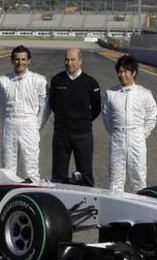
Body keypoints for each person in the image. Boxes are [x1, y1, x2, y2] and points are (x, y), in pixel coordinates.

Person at [102, 55, 157, 194]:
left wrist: (141, 134)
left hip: (137, 139)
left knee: (138, 178)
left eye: (126, 71)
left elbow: (151, 117)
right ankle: (115, 211)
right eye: (120, 71)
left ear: (133, 73)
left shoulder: (145, 94)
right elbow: (106, 117)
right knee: (115, 179)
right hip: (117, 138)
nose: (122, 75)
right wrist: (117, 132)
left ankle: (141, 212)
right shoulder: (111, 94)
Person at [0, 45, 50, 181]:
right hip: (10, 123)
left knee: (30, 167)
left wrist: (36, 125)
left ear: (29, 60)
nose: (20, 63)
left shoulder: (39, 80)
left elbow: (45, 107)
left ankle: (33, 195)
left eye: (23, 59)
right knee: (8, 166)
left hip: (30, 124)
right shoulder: (3, 80)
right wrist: (8, 119)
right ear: (12, 60)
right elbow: (0, 104)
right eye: (17, 59)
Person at [49, 48, 101, 186]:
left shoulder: (91, 83)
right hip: (61, 135)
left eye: (72, 59)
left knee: (85, 175)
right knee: (58, 175)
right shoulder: (56, 81)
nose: (69, 63)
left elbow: (96, 108)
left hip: (83, 135)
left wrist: (82, 121)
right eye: (66, 59)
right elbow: (52, 104)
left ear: (80, 61)